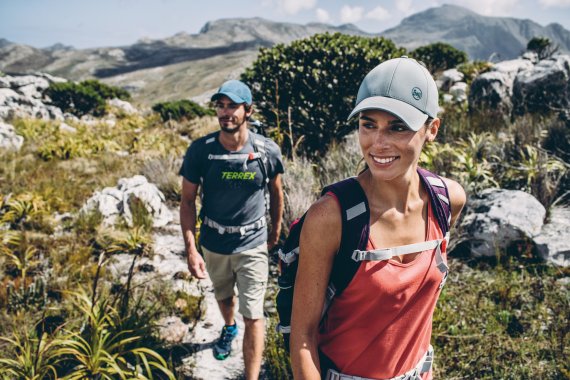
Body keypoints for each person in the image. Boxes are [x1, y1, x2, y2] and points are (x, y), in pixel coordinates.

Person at [290, 57, 466, 379]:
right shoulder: (330, 218)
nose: (378, 143)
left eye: (398, 127)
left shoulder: (447, 200)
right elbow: (303, 337)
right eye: (368, 124)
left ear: (432, 129)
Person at [179, 80, 284, 380]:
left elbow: (277, 193)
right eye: (221, 106)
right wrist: (191, 248)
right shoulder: (201, 151)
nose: (225, 113)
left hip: (252, 244)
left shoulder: (267, 151)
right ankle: (228, 327)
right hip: (213, 243)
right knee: (225, 297)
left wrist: (274, 233)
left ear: (248, 110)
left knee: (254, 315)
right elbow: (187, 201)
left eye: (233, 106)